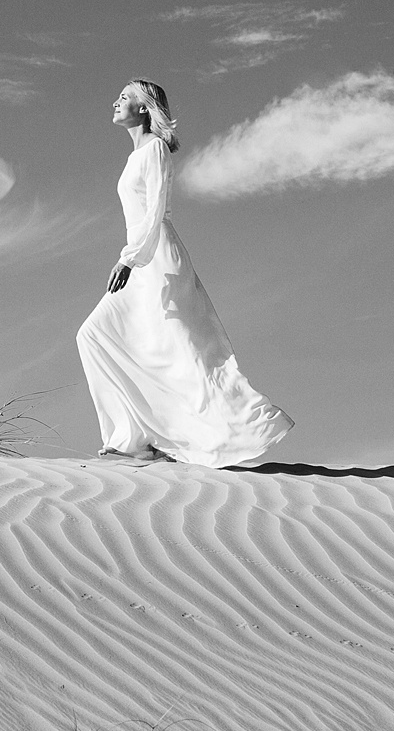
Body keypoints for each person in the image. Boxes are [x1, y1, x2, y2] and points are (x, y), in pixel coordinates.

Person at [76, 80, 295, 467]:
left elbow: (156, 209)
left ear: (144, 108)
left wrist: (129, 258)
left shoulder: (155, 149)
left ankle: (243, 426)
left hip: (157, 258)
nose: (115, 101)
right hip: (143, 258)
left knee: (181, 353)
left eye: (125, 97)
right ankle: (133, 439)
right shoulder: (134, 156)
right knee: (95, 335)